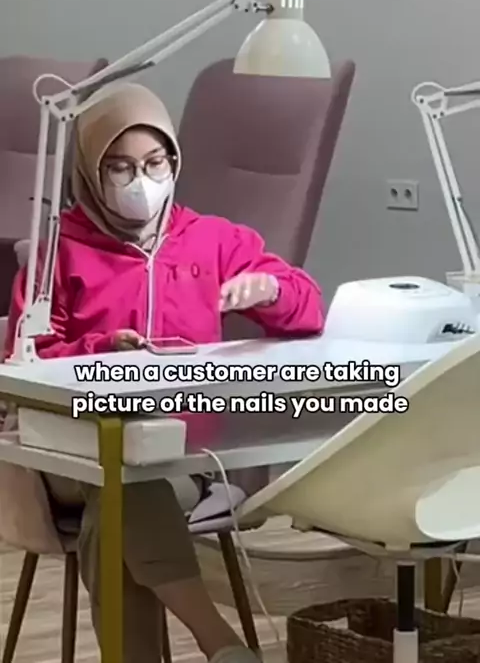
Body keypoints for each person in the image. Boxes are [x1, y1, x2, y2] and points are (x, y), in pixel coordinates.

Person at [4, 82, 325, 663]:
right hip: (61, 458)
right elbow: (23, 359)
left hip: (180, 456)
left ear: (175, 162)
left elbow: (309, 308)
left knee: (118, 504)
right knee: (120, 477)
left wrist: (271, 290)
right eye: (120, 168)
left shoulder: (213, 239)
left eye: (155, 163)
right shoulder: (58, 252)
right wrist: (104, 348)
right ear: (90, 171)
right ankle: (219, 641)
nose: (141, 181)